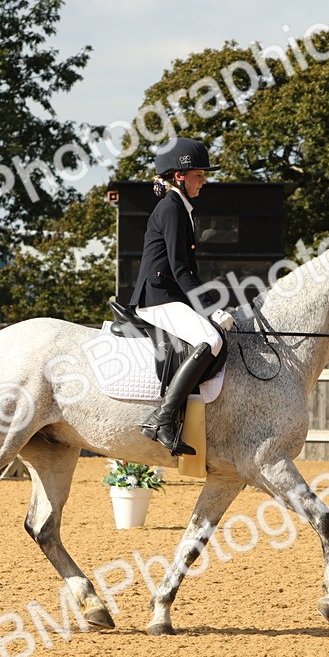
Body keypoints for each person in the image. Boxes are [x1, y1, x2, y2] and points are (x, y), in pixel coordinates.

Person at [129, 138, 235, 456]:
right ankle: (162, 419)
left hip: (170, 295)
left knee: (212, 336)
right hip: (158, 297)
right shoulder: (173, 209)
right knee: (212, 340)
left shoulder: (182, 208)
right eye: (199, 175)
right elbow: (179, 270)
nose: (204, 181)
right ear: (180, 176)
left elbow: (188, 271)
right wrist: (211, 311)